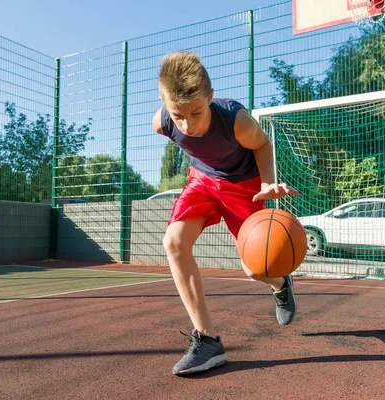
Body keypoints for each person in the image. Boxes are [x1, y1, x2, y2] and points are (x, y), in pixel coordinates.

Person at [151, 51, 301, 376]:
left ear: (211, 97)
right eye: (179, 115)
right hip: (202, 181)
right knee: (173, 243)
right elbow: (182, 130)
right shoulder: (162, 122)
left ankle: (279, 284)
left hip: (244, 186)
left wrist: (269, 183)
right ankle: (207, 340)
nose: (188, 125)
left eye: (196, 112)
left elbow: (264, 146)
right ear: (166, 106)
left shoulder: (237, 121)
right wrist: (177, 123)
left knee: (255, 269)